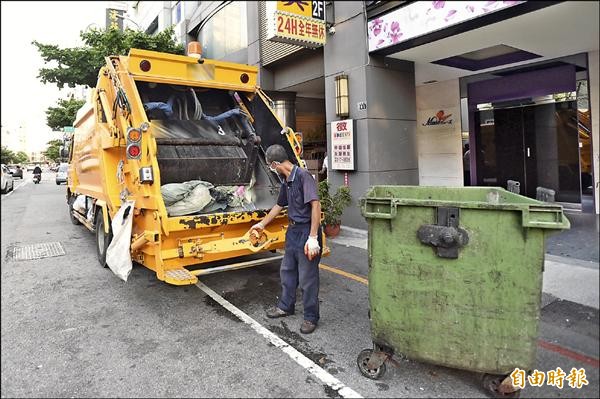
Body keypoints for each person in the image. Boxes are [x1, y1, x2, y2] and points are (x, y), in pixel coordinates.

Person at [250, 144, 322, 334]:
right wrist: (262, 224)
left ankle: (310, 317)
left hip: (307, 231)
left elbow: (316, 206)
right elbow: (279, 205)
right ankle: (285, 306)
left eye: (270, 166)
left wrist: (313, 237)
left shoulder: (303, 176)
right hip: (293, 231)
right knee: (288, 271)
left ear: (274, 164)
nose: (270, 169)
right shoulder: (285, 180)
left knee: (308, 278)